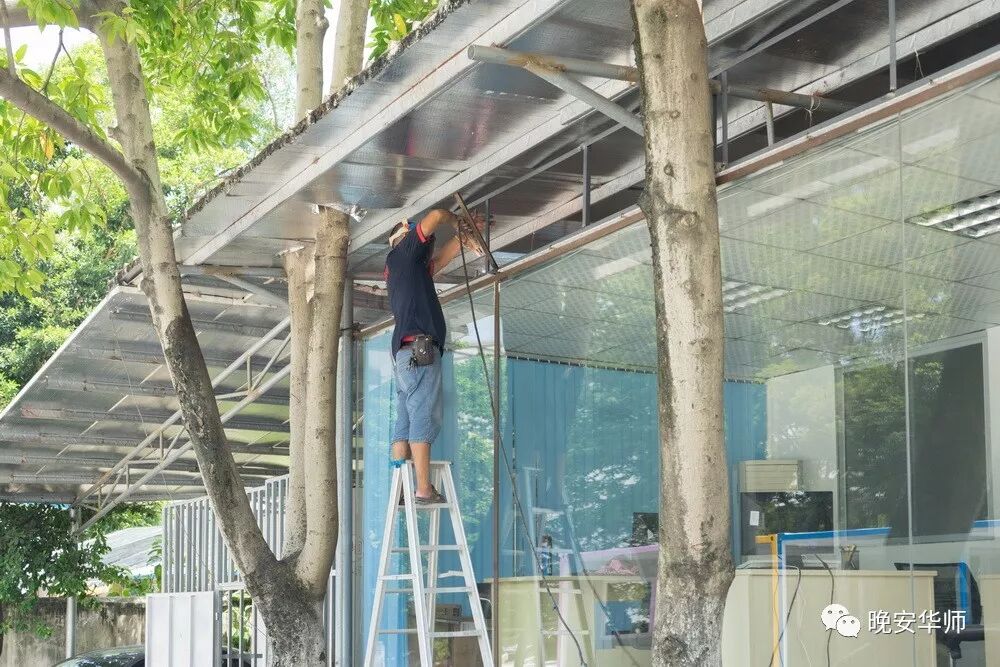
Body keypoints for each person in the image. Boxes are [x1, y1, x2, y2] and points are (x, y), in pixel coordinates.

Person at [384, 208, 484, 503]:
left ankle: (400, 488)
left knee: (404, 422)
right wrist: (457, 221)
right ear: (404, 237)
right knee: (423, 417)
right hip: (420, 350)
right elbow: (438, 213)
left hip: (406, 355)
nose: (427, 243)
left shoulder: (408, 270)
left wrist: (464, 235)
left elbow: (442, 258)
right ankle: (423, 489)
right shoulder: (403, 254)